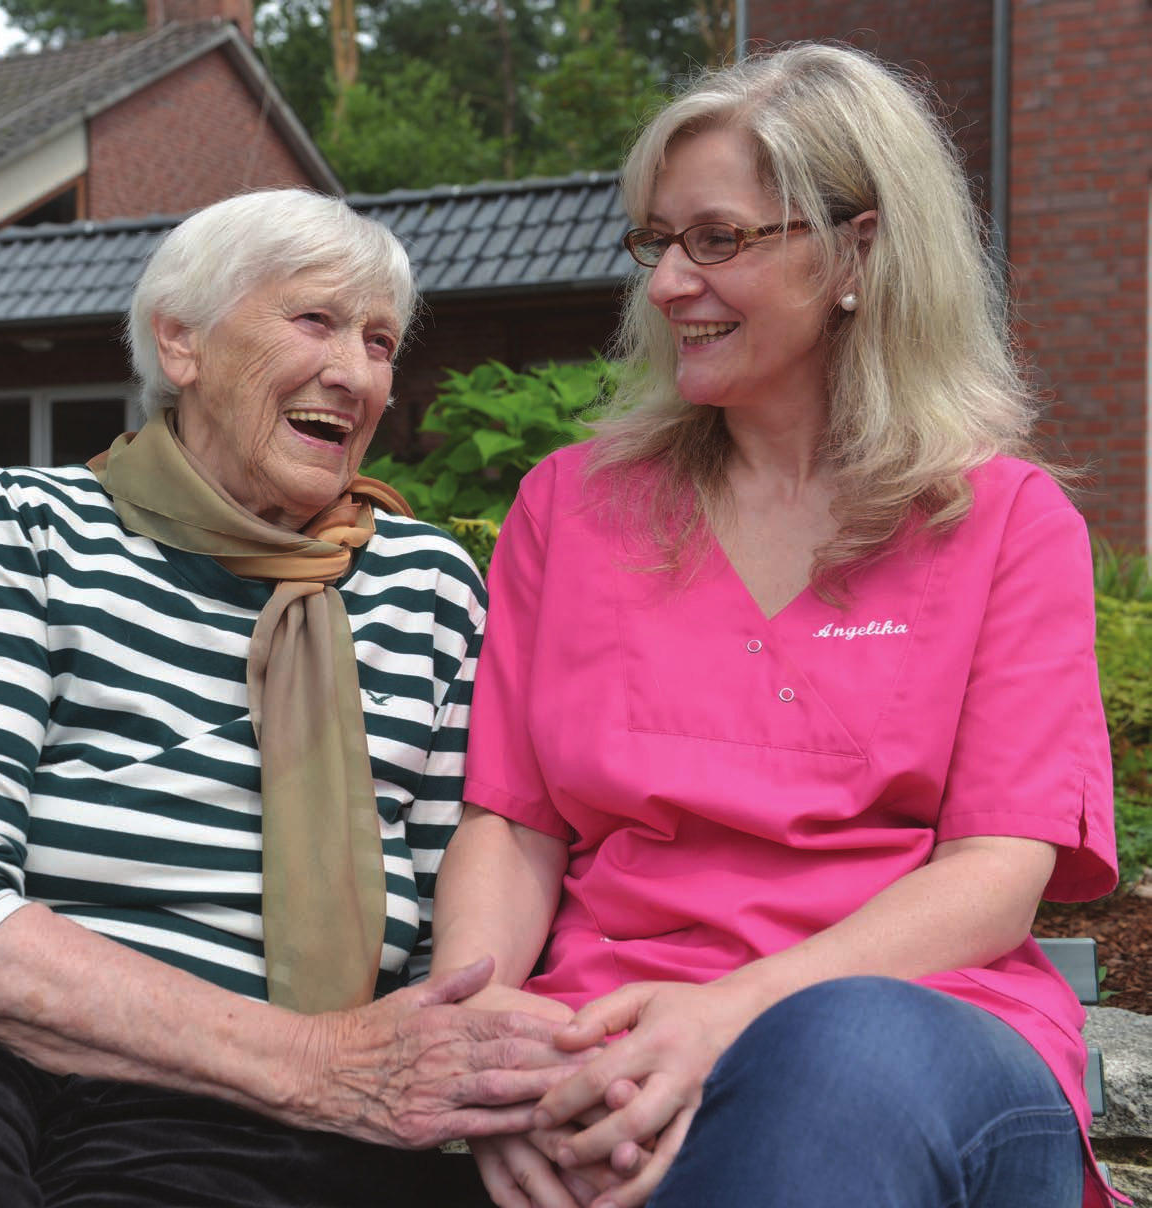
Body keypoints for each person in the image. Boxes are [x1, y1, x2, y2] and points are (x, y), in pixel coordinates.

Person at [430, 42, 1121, 1208]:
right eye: (657, 242)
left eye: (720, 238)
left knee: (831, 1060)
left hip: (921, 1036)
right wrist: (485, 1048)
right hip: (609, 1049)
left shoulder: (1005, 520)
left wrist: (731, 1019)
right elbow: (513, 825)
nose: (665, 284)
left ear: (860, 247)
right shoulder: (568, 506)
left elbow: (998, 874)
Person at [0, 188, 580, 1208]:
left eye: (381, 339)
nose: (353, 372)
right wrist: (309, 1060)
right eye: (313, 320)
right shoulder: (32, 526)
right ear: (180, 343)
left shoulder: (429, 585)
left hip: (263, 1124)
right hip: (3, 1050)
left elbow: (463, 914)